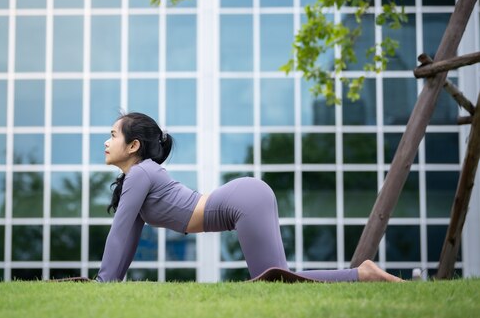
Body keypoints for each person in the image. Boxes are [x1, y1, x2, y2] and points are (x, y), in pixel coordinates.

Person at [95, 112, 403, 283]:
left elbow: (119, 231)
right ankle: (361, 273)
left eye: (113, 135)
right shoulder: (138, 177)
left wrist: (103, 282)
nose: (107, 142)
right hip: (242, 199)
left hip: (242, 201)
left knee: (275, 280)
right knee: (277, 280)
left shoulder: (140, 174)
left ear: (134, 145)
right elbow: (128, 236)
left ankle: (362, 274)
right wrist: (109, 282)